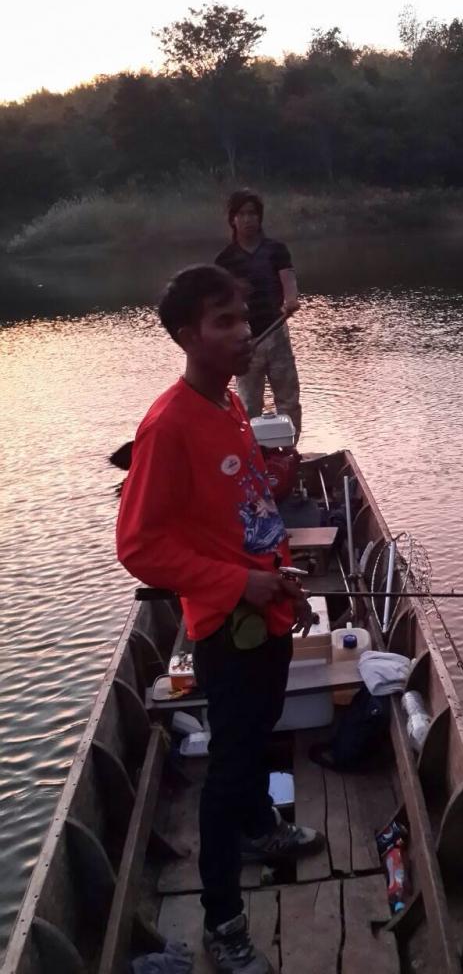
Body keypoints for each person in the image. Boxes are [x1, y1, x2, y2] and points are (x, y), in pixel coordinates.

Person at [116, 264, 324, 974]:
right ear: (187, 336)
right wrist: (241, 582)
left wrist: (273, 483)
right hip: (226, 629)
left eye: (243, 317)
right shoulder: (167, 425)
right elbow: (140, 546)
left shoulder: (229, 407)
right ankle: (224, 919)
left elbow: (231, 506)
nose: (244, 332)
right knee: (230, 769)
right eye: (224, 322)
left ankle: (262, 830)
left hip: (266, 610)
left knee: (258, 733)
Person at [215, 190, 302, 442]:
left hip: (277, 334)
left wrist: (290, 300)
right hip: (246, 341)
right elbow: (221, 302)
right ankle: (252, 454)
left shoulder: (276, 250)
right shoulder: (225, 260)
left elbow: (288, 279)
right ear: (233, 219)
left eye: (252, 213)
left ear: (259, 217)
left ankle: (290, 451)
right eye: (241, 214)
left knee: (288, 399)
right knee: (249, 404)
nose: (248, 219)